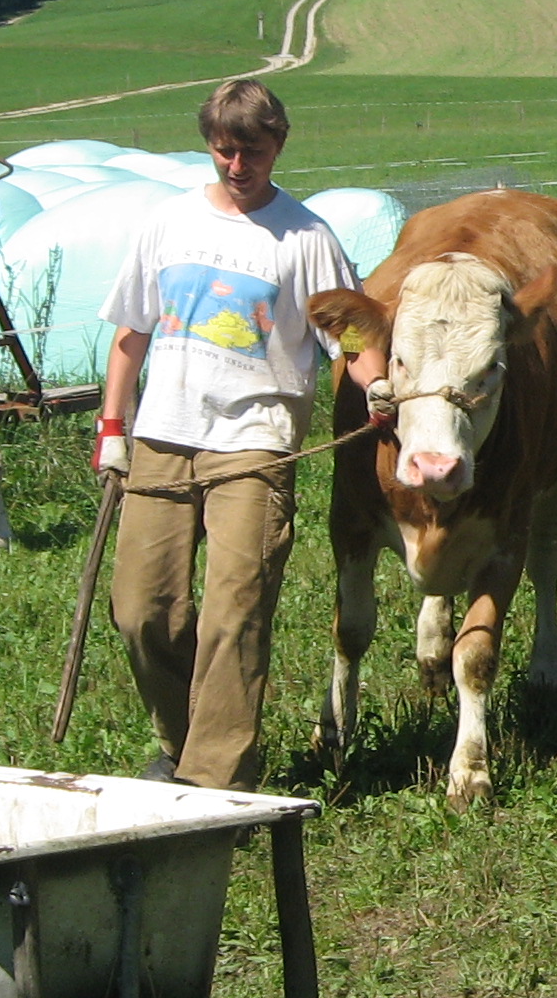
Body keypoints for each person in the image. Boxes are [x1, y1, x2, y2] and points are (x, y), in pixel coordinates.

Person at [97, 79, 379, 787]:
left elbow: (355, 338)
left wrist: (378, 389)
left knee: (235, 612)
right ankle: (181, 740)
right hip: (164, 435)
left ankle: (215, 783)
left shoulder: (308, 238)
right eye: (223, 151)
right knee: (141, 610)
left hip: (257, 442)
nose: (236, 166)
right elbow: (132, 333)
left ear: (278, 144)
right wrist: (112, 426)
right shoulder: (168, 224)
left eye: (250, 151)